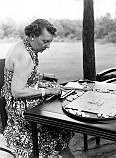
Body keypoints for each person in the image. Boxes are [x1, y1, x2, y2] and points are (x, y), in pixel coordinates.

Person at [1, 19, 74, 157]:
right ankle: (56, 146)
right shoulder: (24, 56)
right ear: (32, 36)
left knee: (59, 92)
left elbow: (24, 74)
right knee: (58, 107)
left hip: (15, 98)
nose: (48, 46)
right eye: (45, 41)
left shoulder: (23, 46)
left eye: (50, 41)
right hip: (19, 106)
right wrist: (48, 91)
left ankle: (60, 146)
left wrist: (43, 76)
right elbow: (17, 91)